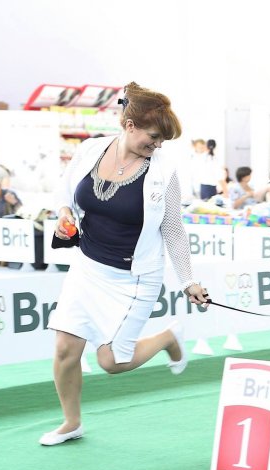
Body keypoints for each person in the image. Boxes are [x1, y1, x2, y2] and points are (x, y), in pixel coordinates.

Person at [40, 81, 208, 446]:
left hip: (134, 277)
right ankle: (71, 422)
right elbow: (64, 192)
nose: (158, 145)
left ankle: (168, 337)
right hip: (86, 267)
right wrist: (65, 214)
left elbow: (173, 230)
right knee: (65, 349)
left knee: (112, 361)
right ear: (130, 125)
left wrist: (188, 281)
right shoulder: (90, 150)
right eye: (154, 136)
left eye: (162, 140)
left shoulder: (164, 171)